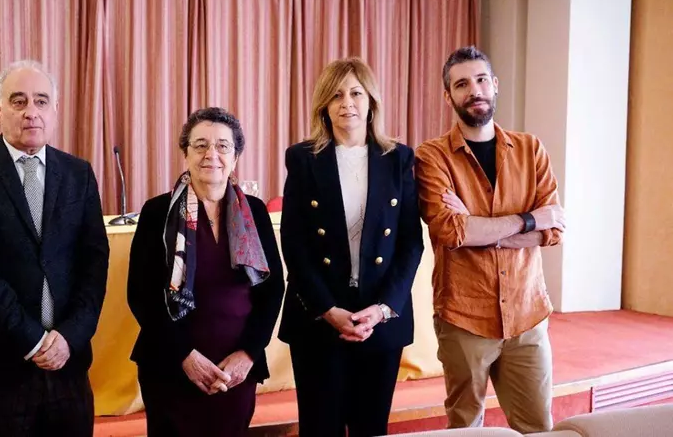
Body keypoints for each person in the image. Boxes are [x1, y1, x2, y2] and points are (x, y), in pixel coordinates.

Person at [0, 60, 110, 437]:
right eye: (18, 101)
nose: (31, 111)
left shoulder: (79, 173)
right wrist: (33, 340)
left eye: (41, 101)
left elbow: (95, 263)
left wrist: (70, 337)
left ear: (55, 110)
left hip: (67, 366)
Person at [415, 46, 566, 433]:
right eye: (462, 84)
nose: (474, 90)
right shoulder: (432, 157)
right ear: (448, 96)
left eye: (481, 80)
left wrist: (480, 227)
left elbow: (552, 230)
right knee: (466, 428)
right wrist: (527, 220)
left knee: (538, 428)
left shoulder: (531, 150)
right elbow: (451, 232)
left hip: (527, 315)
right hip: (464, 317)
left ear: (495, 85)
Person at [278, 57, 424, 437]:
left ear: (371, 101)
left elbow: (411, 243)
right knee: (319, 428)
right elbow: (294, 243)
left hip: (380, 316)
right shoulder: (303, 158)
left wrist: (383, 309)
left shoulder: (399, 158)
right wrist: (328, 310)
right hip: (319, 316)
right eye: (337, 95)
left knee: (371, 427)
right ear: (324, 105)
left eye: (356, 93)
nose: (347, 103)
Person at [127, 107, 285, 437]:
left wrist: (248, 354)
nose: (211, 154)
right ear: (185, 153)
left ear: (235, 157)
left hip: (235, 372)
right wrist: (185, 356)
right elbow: (141, 295)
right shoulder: (157, 212)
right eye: (200, 145)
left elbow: (272, 290)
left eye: (222, 146)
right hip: (171, 366)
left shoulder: (255, 212)